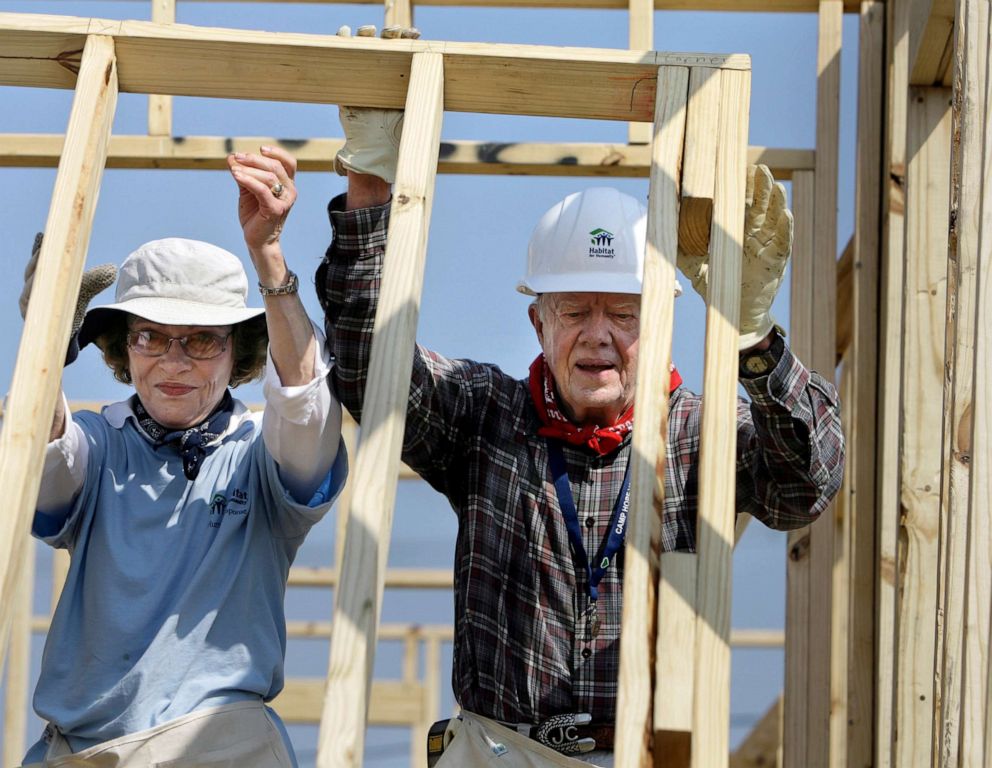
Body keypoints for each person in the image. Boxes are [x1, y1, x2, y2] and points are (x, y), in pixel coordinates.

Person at [317, 28, 844, 766]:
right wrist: (372, 183)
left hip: (649, 753)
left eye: (623, 314)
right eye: (575, 311)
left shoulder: (696, 432)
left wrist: (752, 335)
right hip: (498, 750)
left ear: (656, 317)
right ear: (539, 320)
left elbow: (807, 481)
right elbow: (370, 366)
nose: (599, 336)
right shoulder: (485, 418)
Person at [16, 146, 347, 767]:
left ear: (237, 351)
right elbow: (46, 465)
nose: (173, 361)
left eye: (200, 340)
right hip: (82, 751)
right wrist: (42, 341)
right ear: (120, 347)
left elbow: (305, 404)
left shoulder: (257, 453)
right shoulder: (100, 440)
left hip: (220, 746)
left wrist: (270, 259)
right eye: (150, 337)